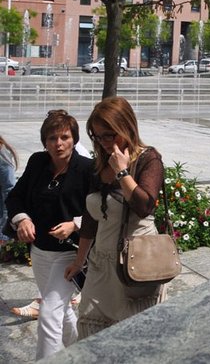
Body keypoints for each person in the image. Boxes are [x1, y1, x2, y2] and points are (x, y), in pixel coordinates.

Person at [64, 96, 166, 338]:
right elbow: (90, 220)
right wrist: (80, 261)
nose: (104, 142)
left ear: (126, 127)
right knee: (92, 331)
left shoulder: (148, 159)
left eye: (109, 135)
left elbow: (144, 206)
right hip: (102, 264)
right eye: (98, 136)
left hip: (136, 264)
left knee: (134, 335)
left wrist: (122, 171)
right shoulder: (100, 164)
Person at [5, 110, 91, 359]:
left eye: (64, 137)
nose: (58, 143)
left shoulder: (86, 169)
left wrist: (75, 224)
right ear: (45, 141)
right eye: (52, 138)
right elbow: (15, 197)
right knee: (60, 311)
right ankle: (81, 353)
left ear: (74, 139)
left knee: (49, 312)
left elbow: (101, 208)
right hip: (41, 251)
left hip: (71, 254)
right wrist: (22, 219)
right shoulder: (37, 162)